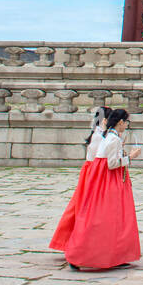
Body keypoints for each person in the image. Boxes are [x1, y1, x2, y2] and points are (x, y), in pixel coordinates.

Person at [63, 108, 142, 271]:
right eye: (126, 122)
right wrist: (131, 157)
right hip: (110, 181)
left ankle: (116, 254)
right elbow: (112, 164)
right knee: (108, 218)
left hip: (106, 180)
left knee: (112, 219)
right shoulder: (113, 139)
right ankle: (81, 254)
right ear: (121, 122)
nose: (126, 125)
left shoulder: (110, 137)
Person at [49, 106, 109, 254]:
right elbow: (99, 158)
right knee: (84, 209)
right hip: (93, 173)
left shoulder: (100, 135)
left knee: (79, 207)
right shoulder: (98, 136)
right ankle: (74, 243)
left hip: (92, 172)